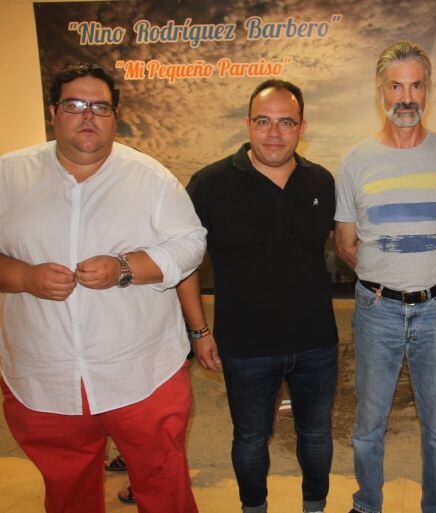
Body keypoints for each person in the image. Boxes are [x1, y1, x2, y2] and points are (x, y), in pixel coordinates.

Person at [0, 63, 205, 513]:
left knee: (162, 480)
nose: (88, 116)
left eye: (100, 106)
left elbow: (191, 243)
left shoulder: (149, 177)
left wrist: (126, 268)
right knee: (67, 487)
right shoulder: (4, 176)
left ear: (116, 116)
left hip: (142, 372)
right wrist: (23, 278)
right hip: (44, 374)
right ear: (53, 113)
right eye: (75, 105)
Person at [334, 41, 436, 513]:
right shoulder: (355, 161)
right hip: (377, 309)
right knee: (368, 427)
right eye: (396, 85)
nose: (406, 96)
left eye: (416, 85)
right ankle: (367, 504)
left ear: (427, 90)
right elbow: (346, 242)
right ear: (381, 91)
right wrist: (385, 276)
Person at [184, 79, 338, 513]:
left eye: (286, 122)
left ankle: (315, 507)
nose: (274, 133)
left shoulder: (322, 182)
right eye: (264, 122)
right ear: (247, 124)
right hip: (245, 345)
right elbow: (184, 264)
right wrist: (199, 331)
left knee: (316, 434)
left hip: (315, 342)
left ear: (302, 126)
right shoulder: (210, 184)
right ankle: (254, 508)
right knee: (250, 437)